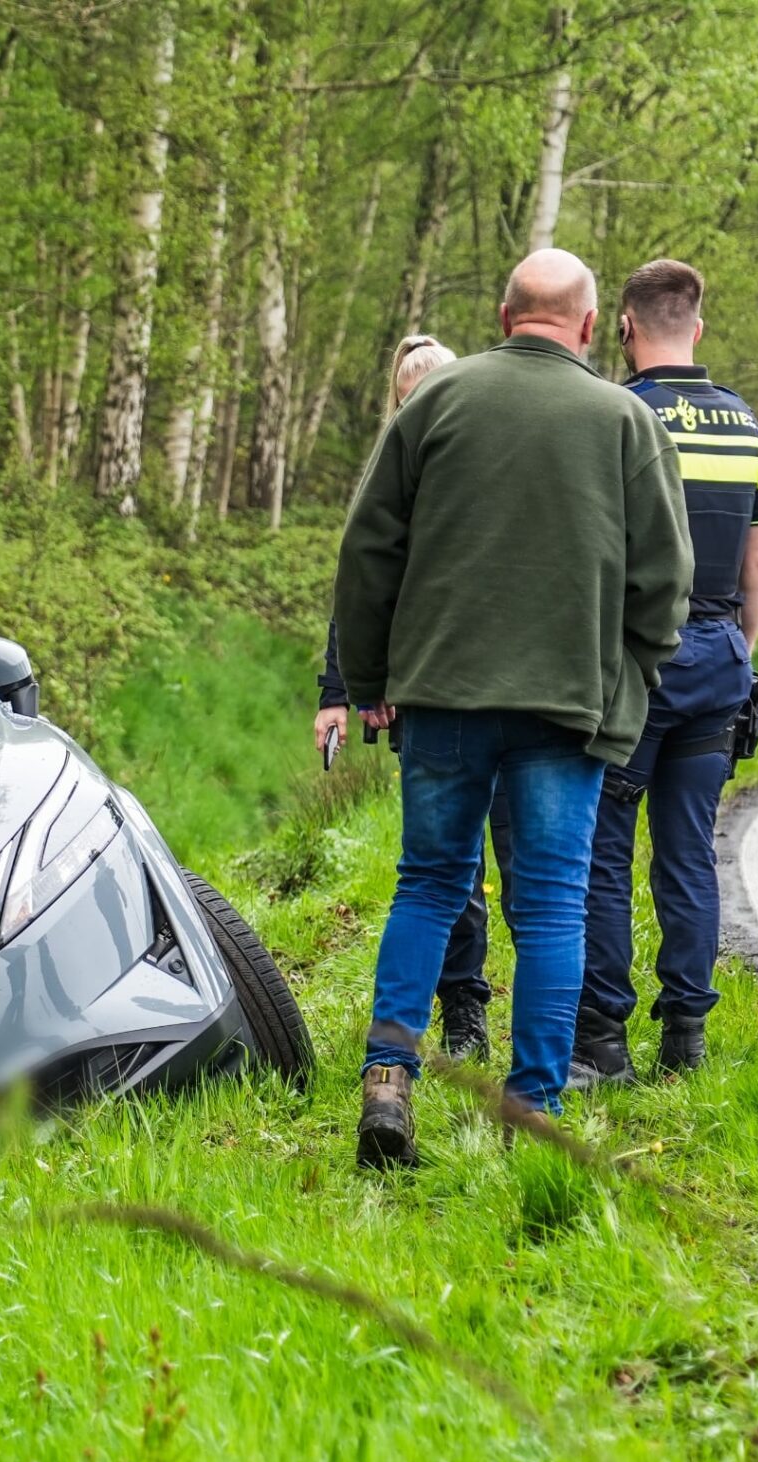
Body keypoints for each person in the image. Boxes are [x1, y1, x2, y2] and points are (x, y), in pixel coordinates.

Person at [335, 249, 692, 1169]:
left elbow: (368, 551)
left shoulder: (434, 405)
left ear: (502, 317)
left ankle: (389, 1078)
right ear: (584, 326)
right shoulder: (623, 420)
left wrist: (371, 681)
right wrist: (629, 680)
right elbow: (667, 581)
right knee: (551, 908)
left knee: (428, 883)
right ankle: (532, 1112)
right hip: (567, 704)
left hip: (443, 694)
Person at [572, 260, 758, 1083]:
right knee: (689, 851)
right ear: (697, 325)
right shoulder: (745, 426)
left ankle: (604, 1042)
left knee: (603, 853)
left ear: (624, 326)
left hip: (634, 663)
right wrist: (738, 650)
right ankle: (686, 1037)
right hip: (719, 659)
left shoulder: (617, 413)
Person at [315, 334, 513, 1063]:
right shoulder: (390, 474)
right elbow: (358, 588)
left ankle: (554, 1038)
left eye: (435, 388)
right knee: (446, 871)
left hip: (507, 692)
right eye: (411, 394)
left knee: (516, 867)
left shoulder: (492, 463)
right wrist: (345, 690)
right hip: (426, 700)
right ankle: (462, 1009)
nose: (422, 403)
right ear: (399, 403)